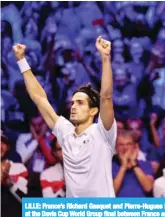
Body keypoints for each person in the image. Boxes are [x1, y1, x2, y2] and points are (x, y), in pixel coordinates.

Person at [12, 36, 117, 197]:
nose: (73, 106)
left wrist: (105, 58)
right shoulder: (65, 132)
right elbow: (40, 98)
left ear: (93, 111)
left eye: (80, 103)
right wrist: (22, 61)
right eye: (73, 102)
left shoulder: (103, 132)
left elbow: (106, 97)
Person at [112, 131, 154, 197]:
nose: (125, 148)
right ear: (116, 148)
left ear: (135, 146)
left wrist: (133, 163)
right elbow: (111, 192)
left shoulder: (145, 165)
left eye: (129, 144)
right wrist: (123, 166)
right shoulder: (110, 166)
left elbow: (148, 188)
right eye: (121, 144)